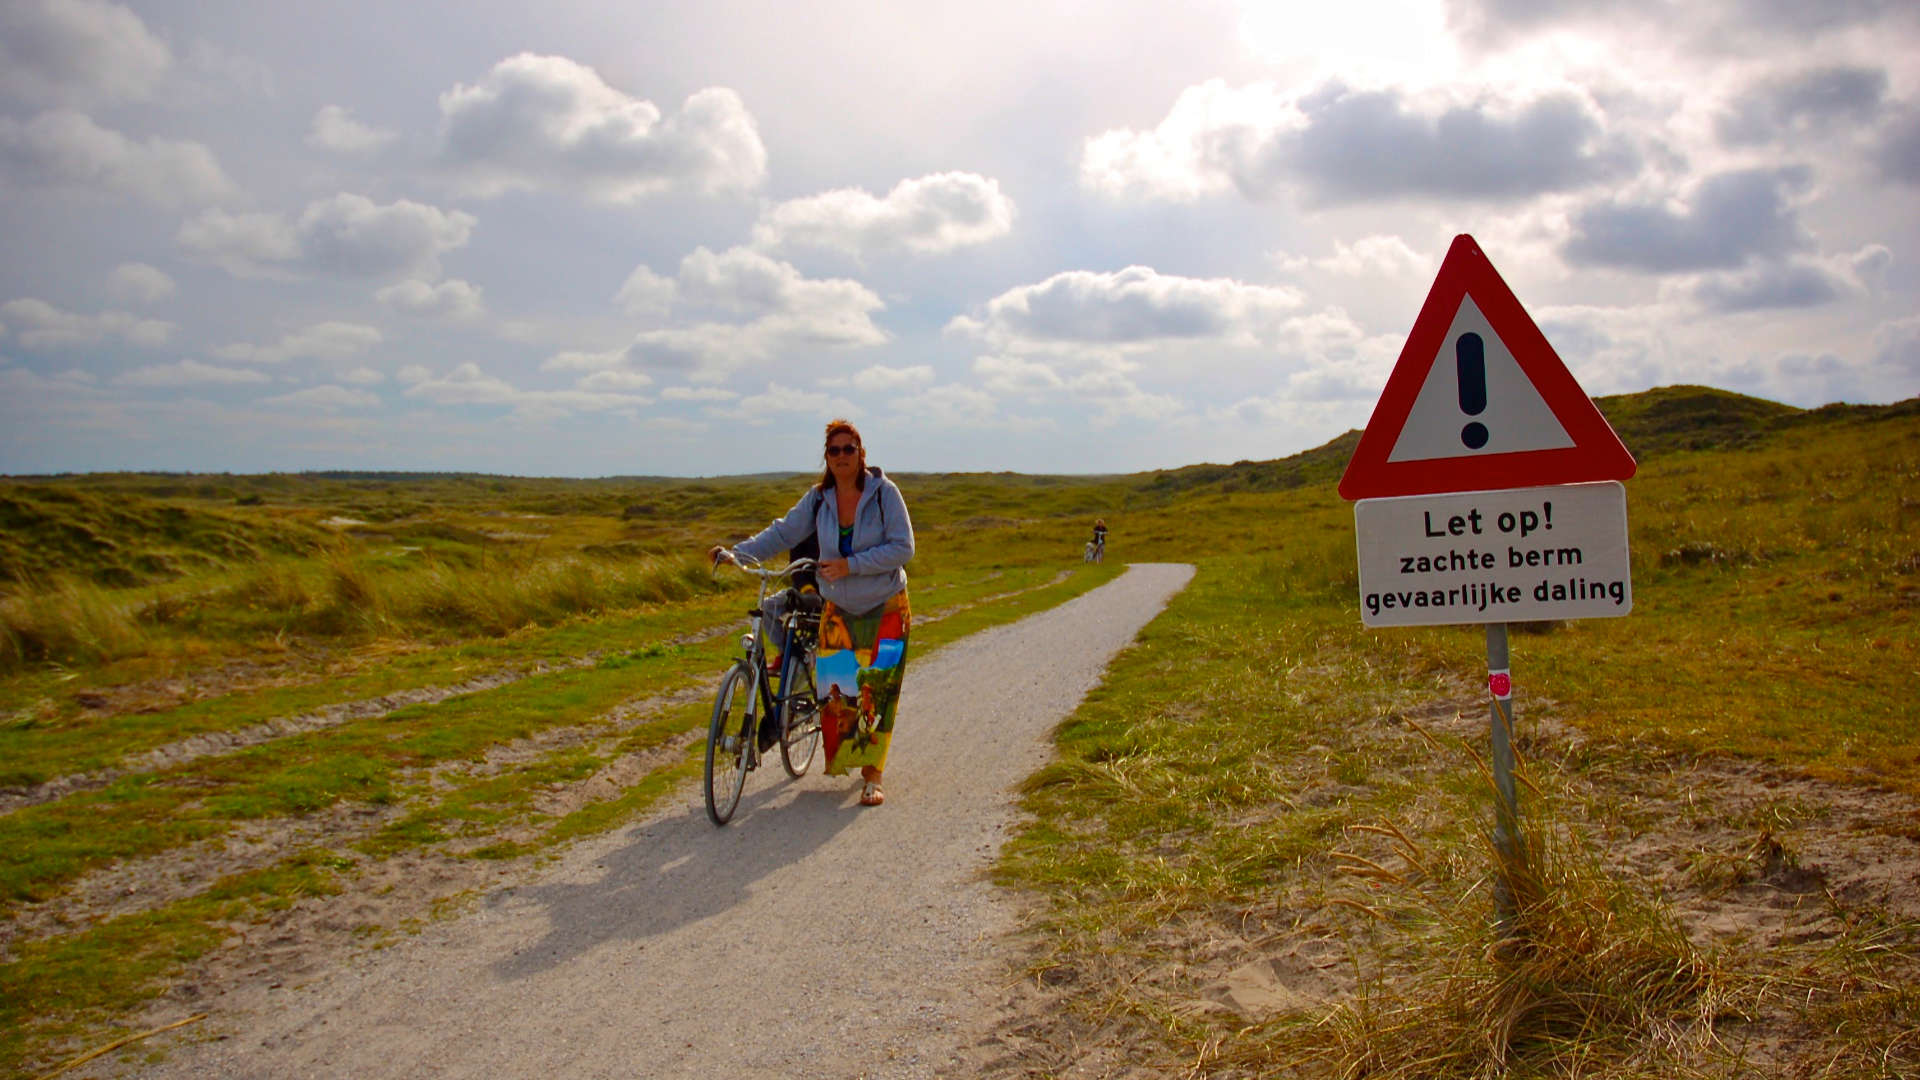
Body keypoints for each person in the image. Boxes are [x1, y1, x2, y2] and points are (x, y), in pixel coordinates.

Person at [707, 419, 914, 807]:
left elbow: (904, 548)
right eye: (834, 450)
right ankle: (852, 756)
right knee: (837, 693)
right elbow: (783, 532)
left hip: (885, 604)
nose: (841, 456)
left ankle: (873, 776)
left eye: (848, 449)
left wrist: (850, 565)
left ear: (861, 454)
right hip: (840, 606)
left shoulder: (885, 494)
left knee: (877, 692)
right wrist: (739, 554)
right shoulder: (819, 499)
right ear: (827, 457)